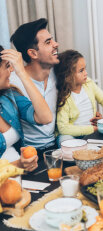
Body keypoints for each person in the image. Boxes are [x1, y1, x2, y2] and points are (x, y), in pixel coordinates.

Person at [9, 18, 59, 155]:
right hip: (30, 153)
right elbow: (43, 118)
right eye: (48, 42)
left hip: (57, 145)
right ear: (33, 53)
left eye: (52, 40)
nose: (56, 44)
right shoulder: (13, 82)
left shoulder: (58, 72)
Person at [54, 50, 103, 145]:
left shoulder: (88, 84)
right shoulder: (64, 97)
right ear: (68, 76)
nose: (86, 73)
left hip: (91, 130)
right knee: (65, 140)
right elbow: (63, 128)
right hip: (72, 134)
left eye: (85, 69)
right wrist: (91, 129)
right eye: (81, 71)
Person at [0, 45, 52, 171]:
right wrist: (18, 165)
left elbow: (45, 117)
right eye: (7, 66)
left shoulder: (9, 96)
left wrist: (22, 73)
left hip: (20, 177)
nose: (12, 70)